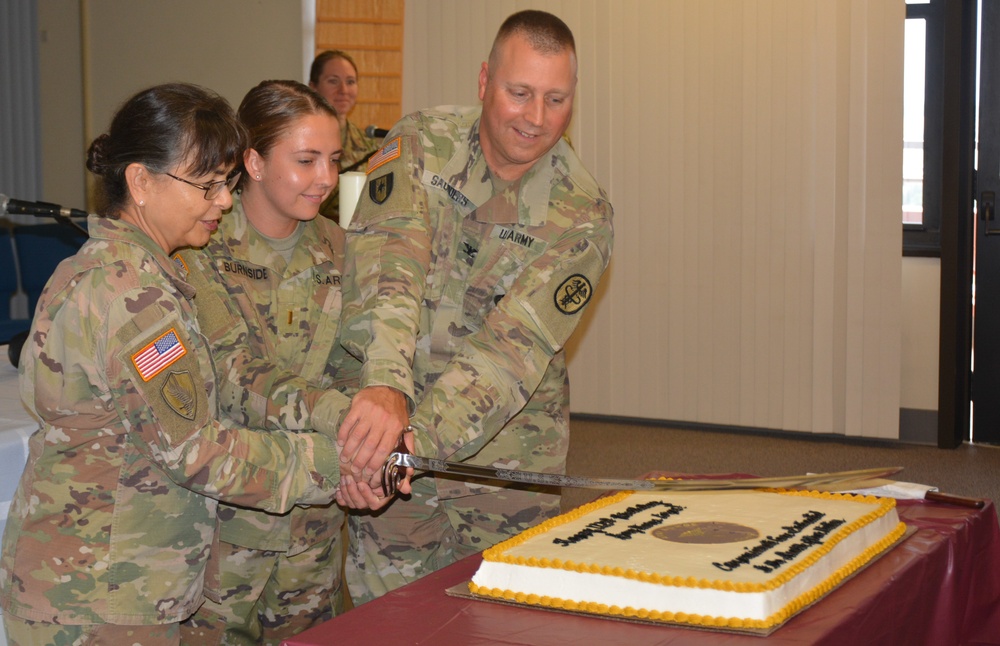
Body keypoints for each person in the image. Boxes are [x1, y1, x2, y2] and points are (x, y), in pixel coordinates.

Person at [0, 83, 385, 645]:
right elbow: (198, 452)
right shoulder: (136, 296)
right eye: (205, 186)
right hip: (101, 597)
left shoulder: (101, 268)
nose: (224, 202)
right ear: (140, 181)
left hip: (91, 580)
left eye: (225, 185)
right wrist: (336, 461)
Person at [338, 10, 614, 604]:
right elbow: (389, 270)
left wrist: (411, 445)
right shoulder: (418, 142)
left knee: (502, 618)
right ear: (484, 80)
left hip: (503, 459)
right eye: (519, 93)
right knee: (390, 616)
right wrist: (386, 391)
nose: (536, 118)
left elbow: (510, 351)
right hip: (388, 418)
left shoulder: (583, 214)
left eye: (556, 99)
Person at [176, 80, 404, 645]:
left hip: (315, 522)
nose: (325, 178)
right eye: (305, 160)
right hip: (224, 524)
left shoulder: (339, 247)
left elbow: (359, 361)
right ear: (252, 161)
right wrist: (354, 430)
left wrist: (371, 447)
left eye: (331, 159)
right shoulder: (199, 247)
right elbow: (236, 376)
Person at [308, 50, 381, 223]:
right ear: (313, 87)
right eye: (333, 81)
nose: (344, 90)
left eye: (350, 82)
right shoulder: (301, 141)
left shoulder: (370, 147)